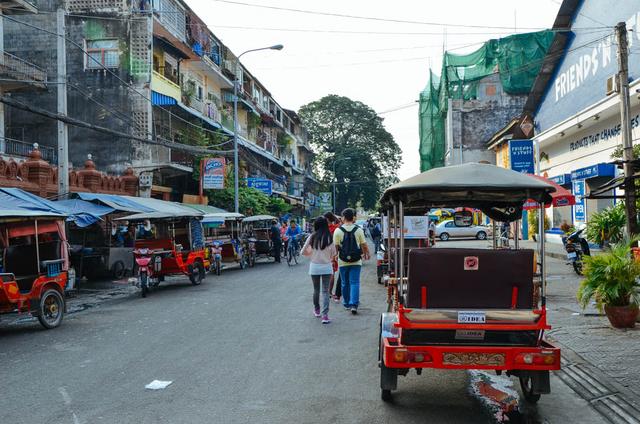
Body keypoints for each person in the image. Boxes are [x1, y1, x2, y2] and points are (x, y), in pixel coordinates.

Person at [334, 208, 370, 314]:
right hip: (356, 261)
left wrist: (335, 257)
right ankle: (354, 304)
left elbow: (335, 247)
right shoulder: (358, 230)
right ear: (353, 217)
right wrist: (366, 253)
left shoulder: (338, 231)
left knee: (345, 283)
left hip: (343, 261)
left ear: (343, 218)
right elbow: (363, 244)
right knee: (354, 282)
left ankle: (346, 303)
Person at [301, 216, 337, 324]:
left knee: (316, 290)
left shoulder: (312, 237)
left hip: (314, 267)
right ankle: (325, 315)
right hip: (327, 267)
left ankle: (317, 310)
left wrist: (311, 254)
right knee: (325, 291)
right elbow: (334, 254)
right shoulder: (329, 237)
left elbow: (302, 251)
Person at [324, 212, 341, 302]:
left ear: (327, 219)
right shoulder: (336, 228)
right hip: (333, 253)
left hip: (324, 252)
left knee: (328, 273)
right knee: (332, 273)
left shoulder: (323, 228)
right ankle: (329, 292)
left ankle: (326, 292)